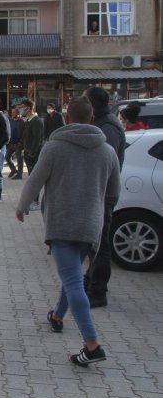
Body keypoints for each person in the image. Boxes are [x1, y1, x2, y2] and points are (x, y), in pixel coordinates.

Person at [16, 96, 120, 367]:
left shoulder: (54, 147)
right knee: (72, 274)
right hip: (90, 226)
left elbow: (35, 180)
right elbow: (114, 192)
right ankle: (57, 316)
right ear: (93, 119)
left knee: (74, 282)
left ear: (66, 118)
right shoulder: (107, 151)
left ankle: (92, 344)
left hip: (61, 223)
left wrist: (22, 207)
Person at [83, 86, 125, 308]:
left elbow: (104, 162)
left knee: (100, 245)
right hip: (98, 193)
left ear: (92, 103)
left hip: (102, 194)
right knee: (94, 244)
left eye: (84, 100)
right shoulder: (101, 122)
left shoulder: (107, 127)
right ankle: (90, 281)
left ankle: (97, 291)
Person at [19, 99, 44, 211]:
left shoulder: (36, 121)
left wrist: (32, 152)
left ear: (29, 108)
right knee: (31, 177)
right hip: (28, 153)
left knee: (34, 178)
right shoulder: (27, 120)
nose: (21, 109)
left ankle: (36, 201)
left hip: (33, 154)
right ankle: (32, 199)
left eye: (23, 106)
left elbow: (37, 139)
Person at [7, 107, 25, 179]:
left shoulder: (21, 121)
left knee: (19, 159)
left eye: (14, 112)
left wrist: (21, 142)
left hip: (18, 143)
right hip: (10, 143)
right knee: (7, 157)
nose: (12, 113)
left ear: (18, 113)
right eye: (12, 112)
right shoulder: (10, 121)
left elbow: (24, 133)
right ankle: (13, 170)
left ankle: (19, 174)